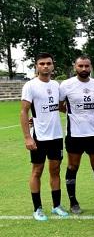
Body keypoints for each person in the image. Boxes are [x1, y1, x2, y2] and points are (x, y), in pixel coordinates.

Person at [20, 52, 68, 221]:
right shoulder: (30, 86)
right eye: (42, 63)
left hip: (56, 135)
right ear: (37, 66)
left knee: (55, 170)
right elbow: (24, 111)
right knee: (37, 171)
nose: (45, 66)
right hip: (39, 136)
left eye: (48, 63)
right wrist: (27, 137)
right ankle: (37, 209)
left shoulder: (56, 85)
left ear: (53, 65)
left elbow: (60, 107)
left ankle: (56, 206)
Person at [59, 55, 94, 214]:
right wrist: (75, 115)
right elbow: (60, 105)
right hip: (75, 134)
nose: (84, 69)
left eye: (86, 66)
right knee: (72, 166)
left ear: (91, 67)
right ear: (75, 67)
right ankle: (73, 202)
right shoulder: (66, 85)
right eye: (80, 66)